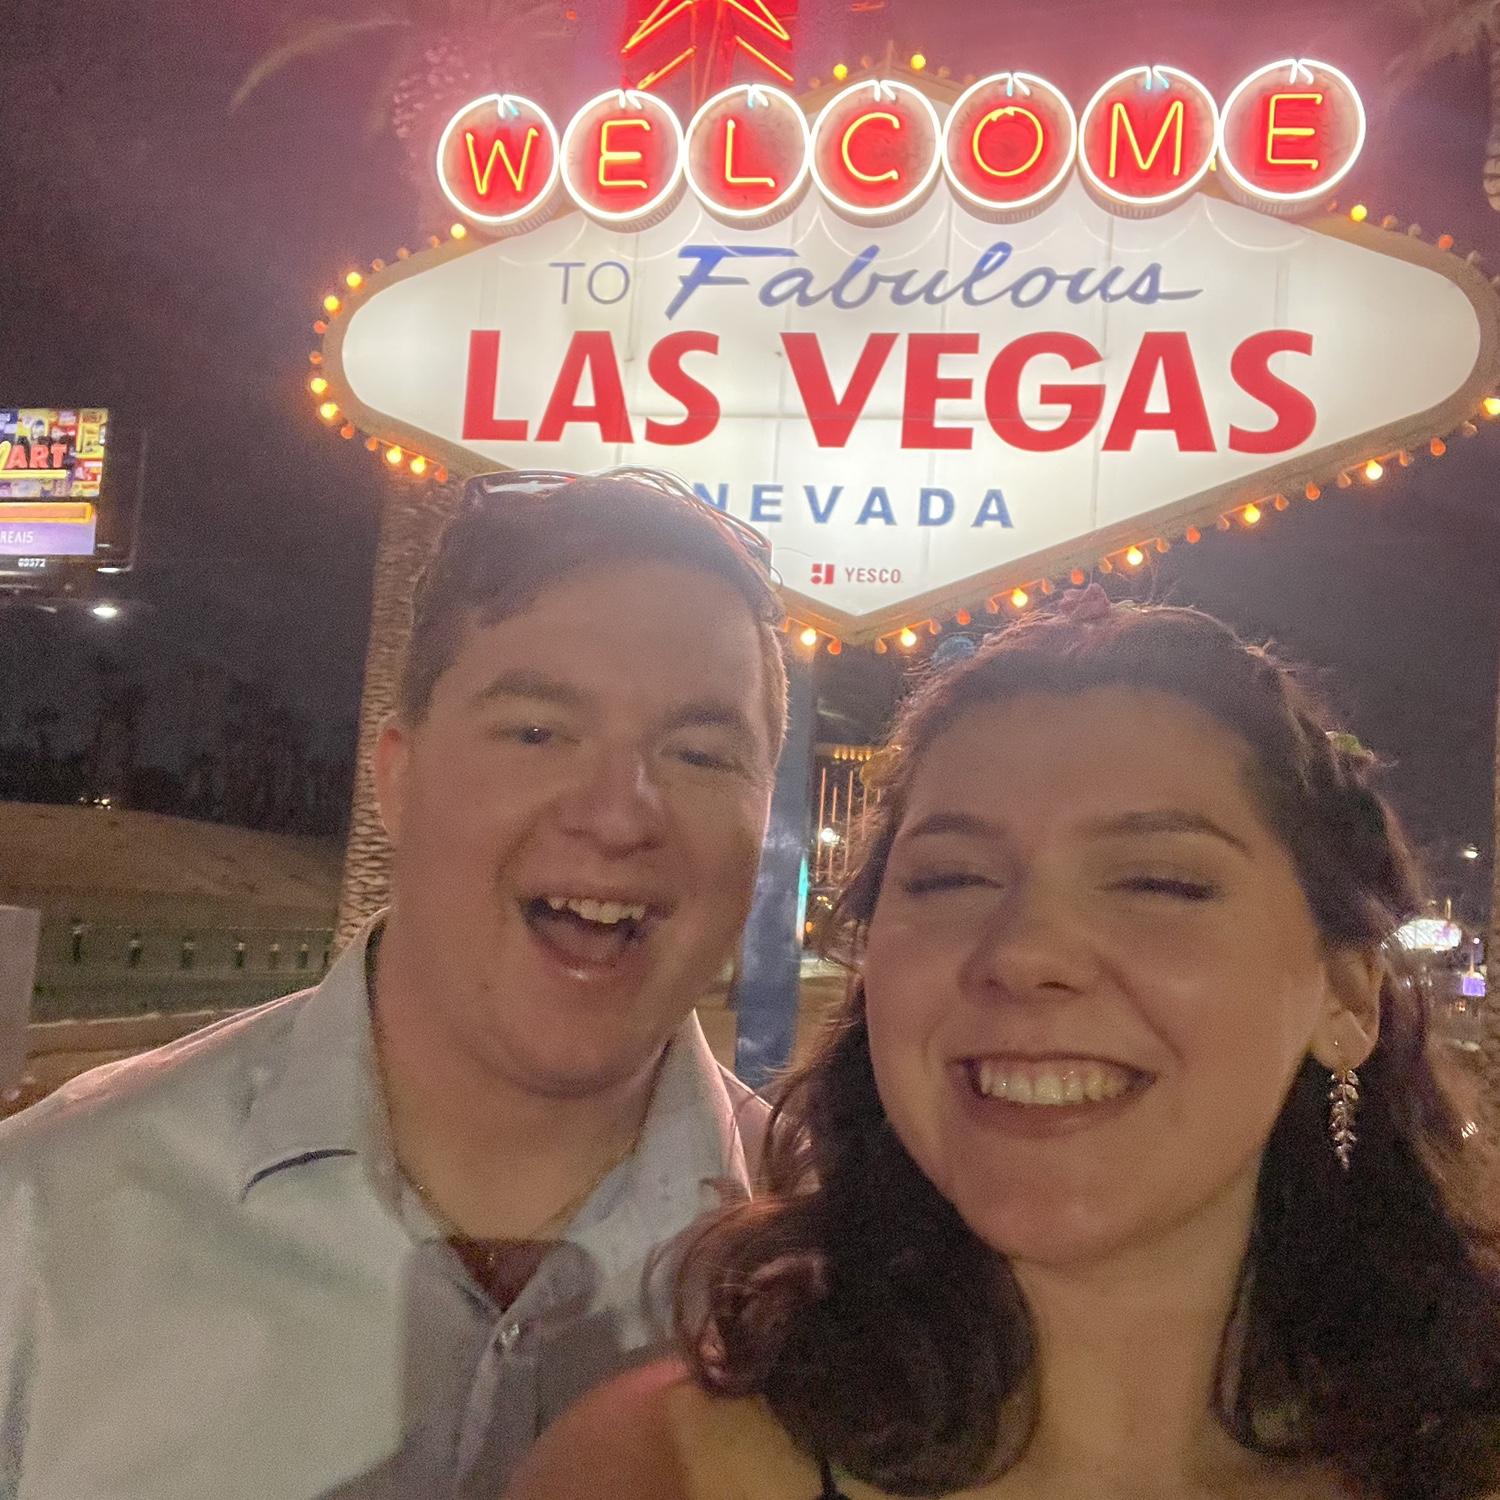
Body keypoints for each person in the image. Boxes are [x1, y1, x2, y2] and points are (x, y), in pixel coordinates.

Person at [512, 592, 1500, 1500]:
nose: (1024, 954)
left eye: (1157, 882)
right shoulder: (653, 1472)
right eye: (952, 880)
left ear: (1346, 995)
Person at [0, 468, 787, 1500]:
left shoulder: (864, 1278)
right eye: (537, 732)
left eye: (700, 754)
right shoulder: (39, 1221)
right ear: (397, 777)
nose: (618, 814)